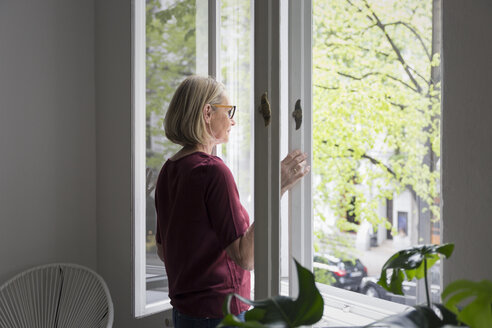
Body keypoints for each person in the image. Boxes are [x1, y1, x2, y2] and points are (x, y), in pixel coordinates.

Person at [154, 75, 310, 328]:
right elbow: (247, 258)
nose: (233, 121)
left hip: (184, 314)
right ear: (207, 112)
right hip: (219, 315)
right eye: (229, 111)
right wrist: (275, 189)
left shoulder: (169, 169)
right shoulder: (212, 170)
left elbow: (163, 251)